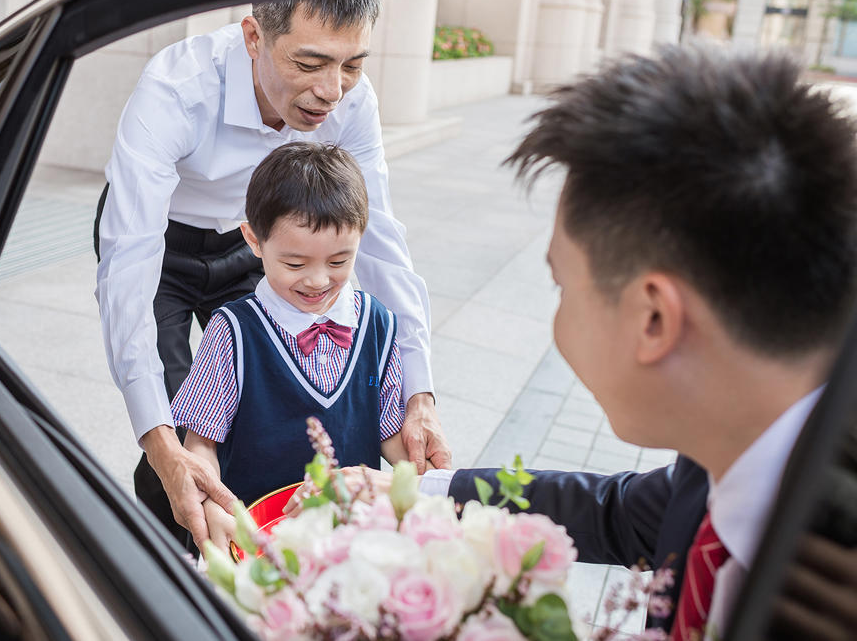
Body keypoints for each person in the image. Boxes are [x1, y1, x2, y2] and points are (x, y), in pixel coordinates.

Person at [328, 45, 857, 640]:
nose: (557, 319)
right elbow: (621, 515)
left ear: (653, 318)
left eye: (560, 283)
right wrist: (419, 491)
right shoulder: (727, 453)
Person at [95, 0, 450, 549]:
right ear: (254, 37)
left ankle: (266, 551)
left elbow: (379, 238)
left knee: (259, 403)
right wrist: (155, 435)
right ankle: (175, 560)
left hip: (256, 243)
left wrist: (419, 395)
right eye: (308, 64)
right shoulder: (177, 88)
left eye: (353, 64)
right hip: (161, 244)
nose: (332, 90)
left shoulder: (351, 102)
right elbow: (129, 258)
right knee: (178, 434)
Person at [171, 141, 416, 550]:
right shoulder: (232, 331)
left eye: (339, 262)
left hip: (353, 543)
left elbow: (392, 436)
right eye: (295, 264)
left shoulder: (379, 325)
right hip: (257, 541)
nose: (318, 281)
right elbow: (200, 442)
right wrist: (214, 508)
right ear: (253, 240)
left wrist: (432, 492)